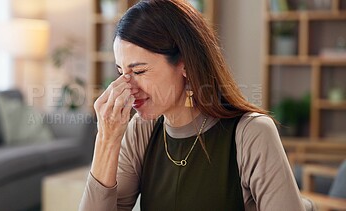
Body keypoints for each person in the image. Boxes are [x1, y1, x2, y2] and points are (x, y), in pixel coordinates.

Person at [79, 0, 305, 210]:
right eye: (121, 72)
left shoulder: (251, 133)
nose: (127, 86)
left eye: (139, 71)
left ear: (185, 64)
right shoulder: (141, 130)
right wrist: (106, 140)